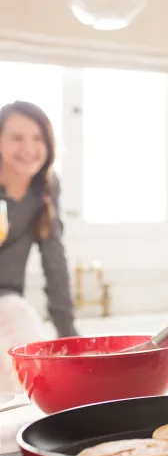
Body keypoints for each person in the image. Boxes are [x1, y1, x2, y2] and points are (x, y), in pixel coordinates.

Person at [0, 101, 76, 391]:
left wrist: (68, 334)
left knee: (32, 366)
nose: (29, 148)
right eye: (17, 138)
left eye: (38, 138)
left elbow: (54, 261)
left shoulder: (46, 187)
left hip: (6, 298)